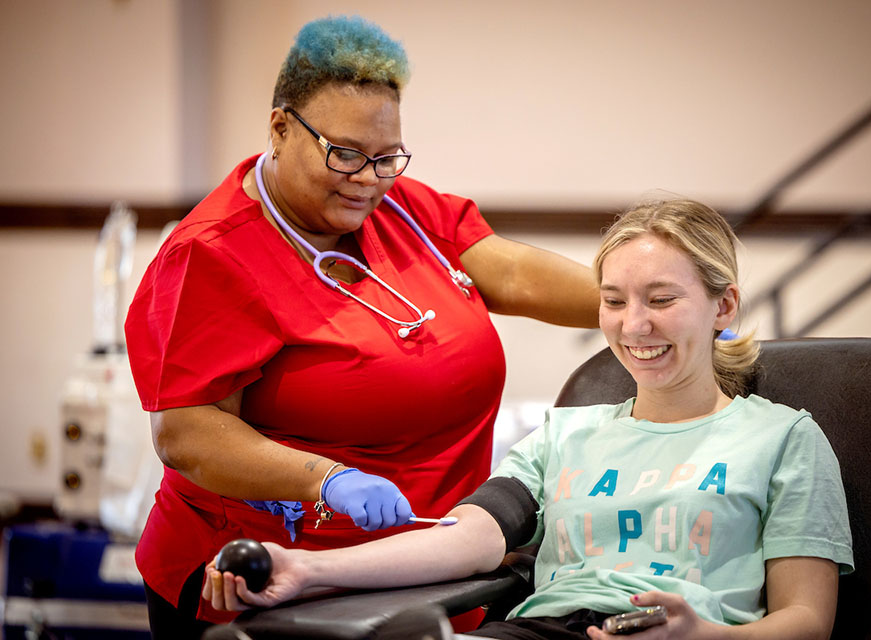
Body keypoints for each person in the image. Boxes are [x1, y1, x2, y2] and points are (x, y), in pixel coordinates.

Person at [124, 15, 599, 639]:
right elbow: (187, 434)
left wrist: (642, 310)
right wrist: (326, 479)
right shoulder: (210, 255)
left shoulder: (399, 206)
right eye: (345, 154)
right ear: (280, 127)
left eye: (385, 157)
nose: (368, 178)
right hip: (268, 586)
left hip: (433, 571)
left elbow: (510, 273)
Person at [202, 198, 855, 640]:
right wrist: (304, 569)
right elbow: (467, 538)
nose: (634, 326)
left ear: (723, 305)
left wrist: (706, 636)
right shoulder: (564, 435)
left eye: (662, 300)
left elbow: (808, 619)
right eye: (613, 301)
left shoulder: (784, 439)